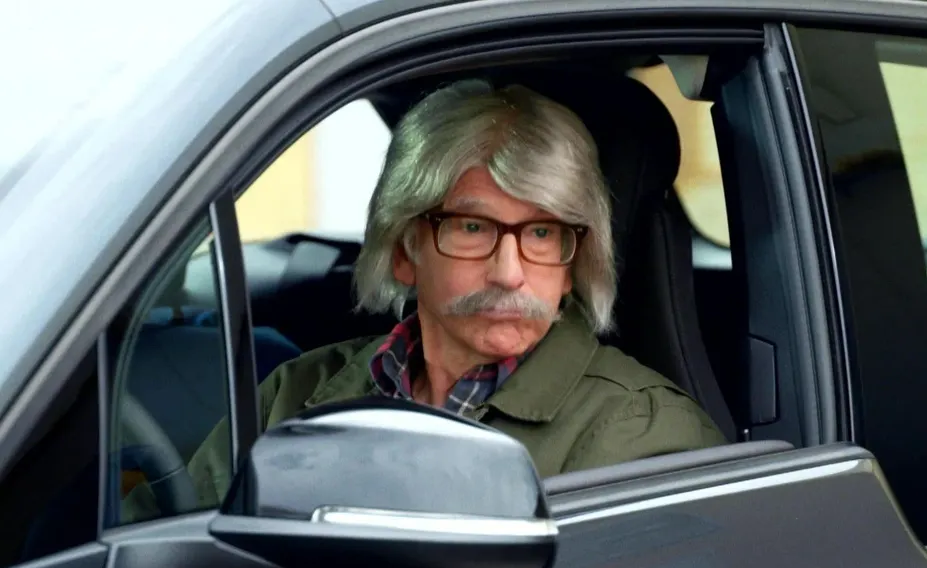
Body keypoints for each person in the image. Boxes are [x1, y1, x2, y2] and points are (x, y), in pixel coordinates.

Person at [123, 79, 726, 521]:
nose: (509, 273)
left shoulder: (645, 435)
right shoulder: (296, 392)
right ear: (404, 248)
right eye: (472, 227)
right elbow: (158, 543)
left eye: (543, 234)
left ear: (573, 266)